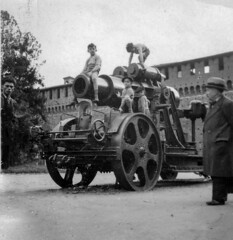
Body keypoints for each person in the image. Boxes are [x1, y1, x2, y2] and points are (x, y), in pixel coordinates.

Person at [203, 77, 233, 206]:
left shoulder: (227, 104)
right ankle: (218, 197)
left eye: (210, 89)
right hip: (215, 143)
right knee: (216, 172)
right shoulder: (214, 104)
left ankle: (218, 198)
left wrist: (227, 140)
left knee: (219, 172)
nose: (207, 92)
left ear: (218, 91)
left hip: (222, 144)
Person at [1, 76, 17, 170]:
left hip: (7, 130)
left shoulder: (12, 102)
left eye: (11, 87)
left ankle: (4, 168)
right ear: (2, 86)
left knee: (6, 148)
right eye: (7, 86)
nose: (9, 88)